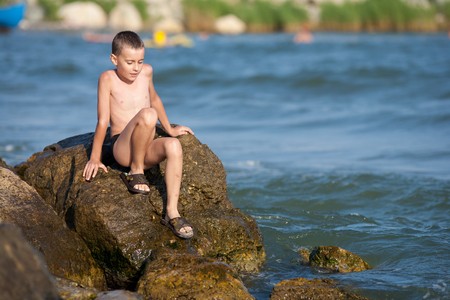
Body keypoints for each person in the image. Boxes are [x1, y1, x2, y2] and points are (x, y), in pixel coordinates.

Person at [82, 31, 194, 239]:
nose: (136, 68)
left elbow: (155, 98)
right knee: (148, 114)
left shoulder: (147, 72)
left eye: (140, 61)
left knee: (173, 146)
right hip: (123, 149)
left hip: (146, 146)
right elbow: (102, 121)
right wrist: (95, 158)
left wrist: (170, 129)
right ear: (114, 59)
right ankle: (135, 172)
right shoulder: (107, 78)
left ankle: (172, 212)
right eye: (130, 62)